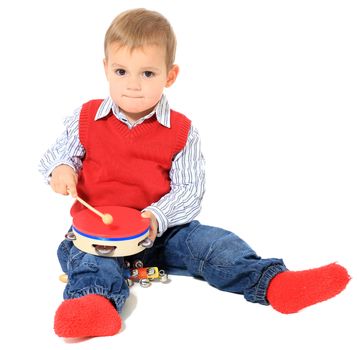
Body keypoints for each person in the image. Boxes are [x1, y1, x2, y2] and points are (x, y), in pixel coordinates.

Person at [39, 8, 350, 338]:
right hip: (99, 240)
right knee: (89, 266)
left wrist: (157, 218)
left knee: (214, 244)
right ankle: (93, 305)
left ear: (169, 76)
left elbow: (189, 189)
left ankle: (273, 283)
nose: (132, 85)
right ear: (105, 69)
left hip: (164, 231)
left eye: (147, 73)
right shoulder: (85, 117)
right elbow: (57, 156)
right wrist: (62, 169)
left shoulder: (181, 131)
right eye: (121, 71)